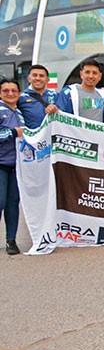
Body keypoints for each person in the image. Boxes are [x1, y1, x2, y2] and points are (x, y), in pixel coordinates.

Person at [0, 79, 23, 255]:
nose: (10, 94)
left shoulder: (20, 113)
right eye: (6, 90)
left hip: (16, 166)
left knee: (12, 204)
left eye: (14, 91)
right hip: (0, 165)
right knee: (0, 202)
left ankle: (11, 240)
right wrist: (13, 133)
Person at [17, 64, 60, 129]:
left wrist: (57, 111)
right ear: (29, 78)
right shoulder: (20, 98)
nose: (38, 78)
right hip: (32, 138)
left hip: (52, 136)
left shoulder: (56, 95)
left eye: (41, 76)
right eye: (34, 75)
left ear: (47, 80)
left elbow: (64, 113)